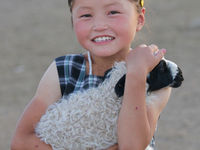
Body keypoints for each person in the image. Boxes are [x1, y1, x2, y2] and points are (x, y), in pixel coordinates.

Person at [11, 0, 171, 149]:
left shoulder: (157, 72)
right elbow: (21, 142)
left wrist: (136, 73)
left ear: (140, 19)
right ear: (73, 21)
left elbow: (132, 145)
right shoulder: (63, 70)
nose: (99, 26)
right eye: (86, 15)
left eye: (113, 12)